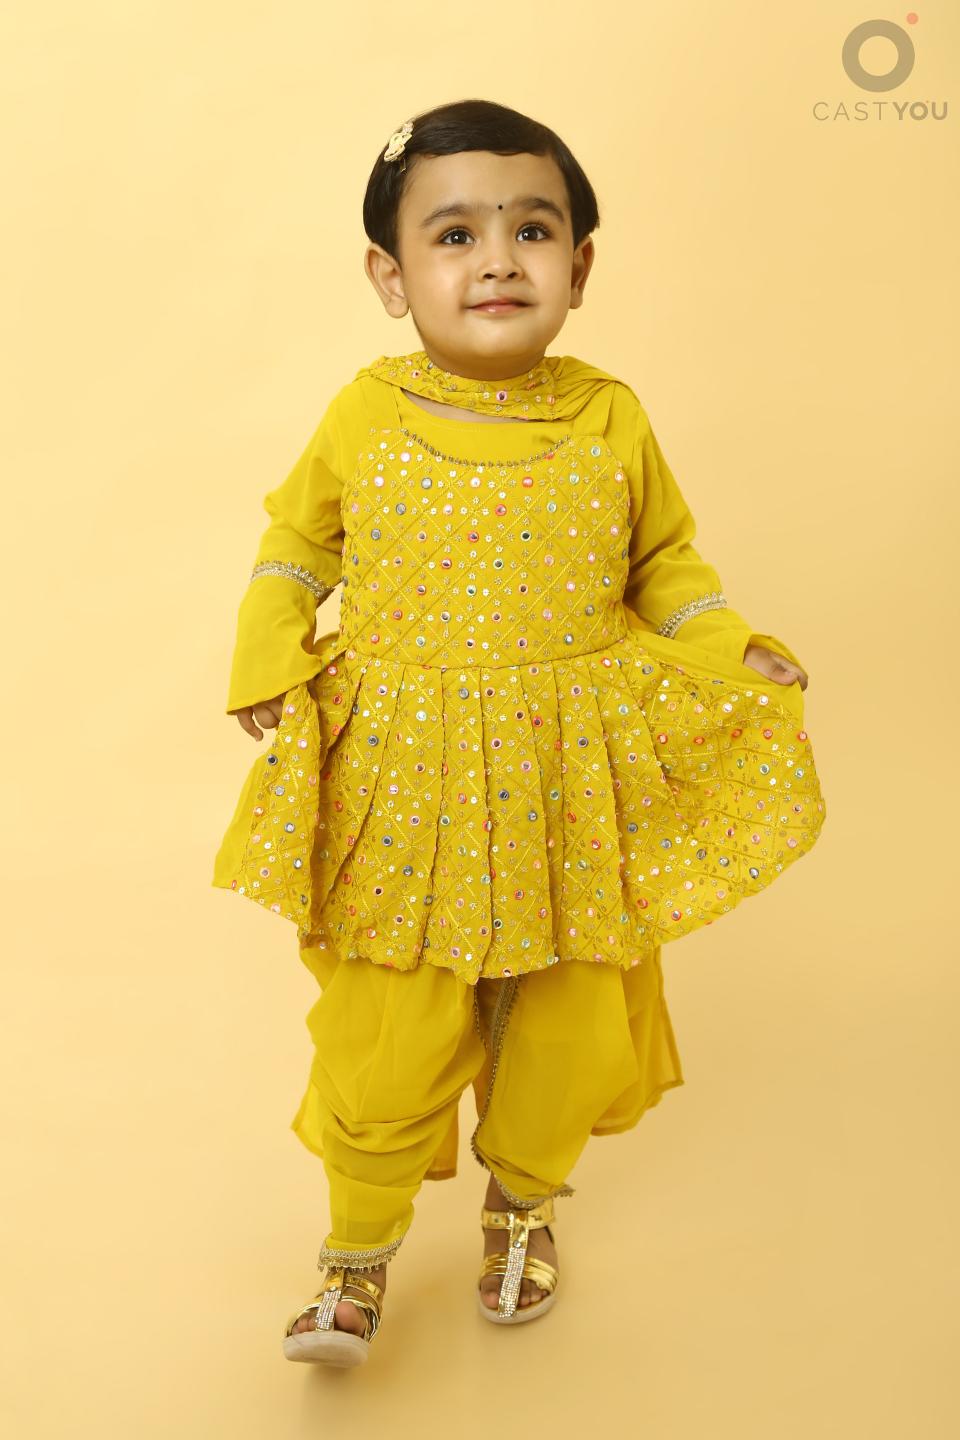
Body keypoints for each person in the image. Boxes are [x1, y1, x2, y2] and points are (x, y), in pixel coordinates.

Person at [211, 98, 827, 1367]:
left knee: (565, 1020)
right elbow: (295, 549)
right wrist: (268, 649)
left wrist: (727, 643)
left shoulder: (610, 417)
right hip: (408, 771)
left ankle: (523, 1208)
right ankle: (355, 1257)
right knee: (388, 1031)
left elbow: (666, 565)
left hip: (569, 774)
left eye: (532, 230)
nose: (497, 259)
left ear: (579, 266)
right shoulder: (365, 416)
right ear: (392, 276)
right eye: (454, 234)